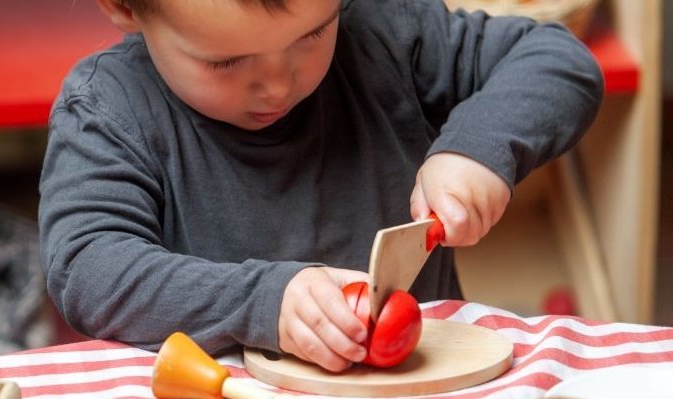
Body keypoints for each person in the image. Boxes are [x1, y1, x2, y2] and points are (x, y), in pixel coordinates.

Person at [38, 0, 603, 372]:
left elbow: (555, 59)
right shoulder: (108, 108)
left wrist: (478, 147)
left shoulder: (385, 31)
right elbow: (88, 269)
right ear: (124, 7)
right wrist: (262, 302)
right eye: (227, 62)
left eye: (313, 33)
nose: (277, 84)